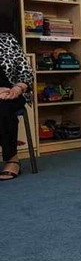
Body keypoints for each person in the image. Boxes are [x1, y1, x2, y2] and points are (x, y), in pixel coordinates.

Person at [0, 33, 33, 181]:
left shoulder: (8, 39)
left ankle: (12, 158)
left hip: (12, 93)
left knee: (3, 107)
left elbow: (26, 72)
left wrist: (18, 88)